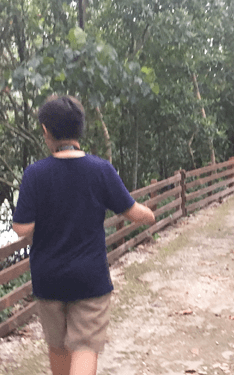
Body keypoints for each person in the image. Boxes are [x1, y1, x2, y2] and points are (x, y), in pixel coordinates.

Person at [12, 95, 155, 375]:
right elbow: (134, 212)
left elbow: (21, 228)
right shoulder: (100, 169)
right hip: (90, 278)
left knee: (57, 346)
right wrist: (150, 215)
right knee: (85, 347)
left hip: (48, 277)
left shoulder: (35, 174)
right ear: (80, 129)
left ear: (45, 130)